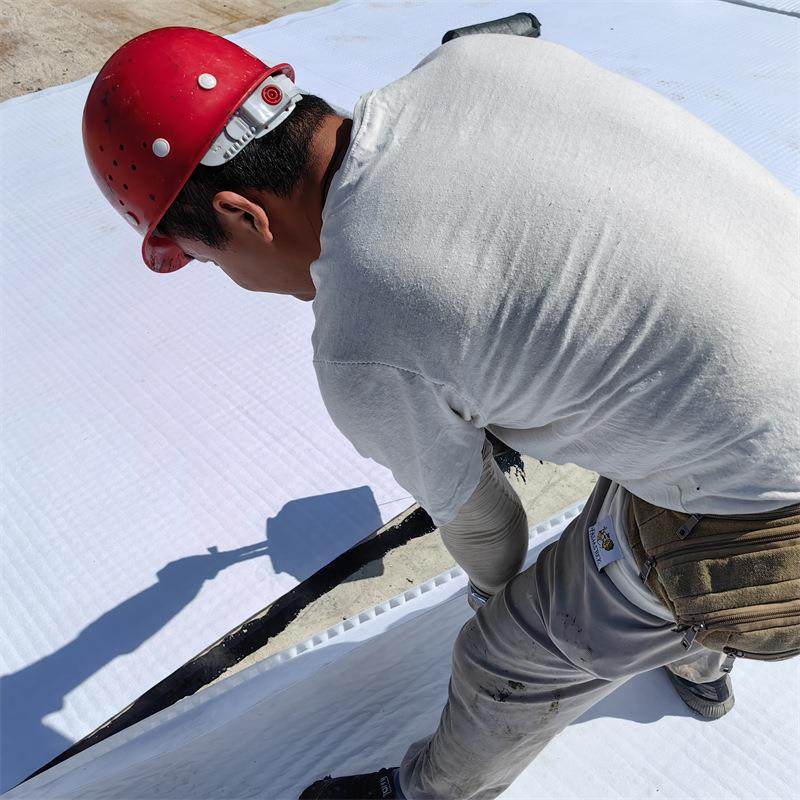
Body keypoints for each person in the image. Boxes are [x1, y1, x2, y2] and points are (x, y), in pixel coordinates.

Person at [83, 27, 800, 800]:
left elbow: (493, 534)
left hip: (776, 517)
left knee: (509, 657)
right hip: (763, 371)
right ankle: (694, 655)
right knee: (658, 444)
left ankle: (426, 793)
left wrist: (501, 604)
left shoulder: (361, 336)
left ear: (241, 215)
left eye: (210, 258)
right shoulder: (480, 60)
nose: (231, 278)